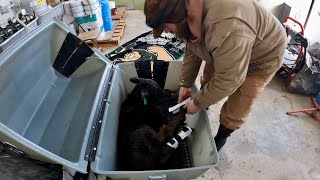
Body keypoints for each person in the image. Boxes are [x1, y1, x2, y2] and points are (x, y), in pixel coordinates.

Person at [144, 0, 287, 151]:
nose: (165, 31)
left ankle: (222, 136)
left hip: (262, 55)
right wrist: (185, 84)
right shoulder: (190, 12)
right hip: (231, 43)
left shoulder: (226, 28)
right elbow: (193, 48)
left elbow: (228, 79)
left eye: (165, 27)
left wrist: (198, 102)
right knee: (209, 80)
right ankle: (206, 105)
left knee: (240, 100)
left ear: (179, 17)